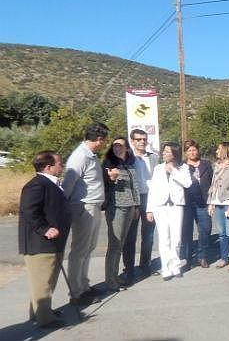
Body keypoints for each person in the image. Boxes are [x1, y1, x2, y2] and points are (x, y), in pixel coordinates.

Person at [18, 151, 70, 328]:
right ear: (49, 167)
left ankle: (39, 312)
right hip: (40, 244)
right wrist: (45, 229)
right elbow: (28, 210)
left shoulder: (49, 183)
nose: (61, 166)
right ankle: (45, 319)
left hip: (53, 242)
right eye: (59, 163)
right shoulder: (37, 185)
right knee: (43, 282)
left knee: (46, 280)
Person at [62, 122, 109, 305]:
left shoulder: (91, 155)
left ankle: (84, 285)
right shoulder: (80, 156)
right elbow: (68, 184)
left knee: (88, 247)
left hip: (93, 205)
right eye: (104, 140)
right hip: (83, 207)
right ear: (98, 139)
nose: (105, 143)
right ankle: (76, 292)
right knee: (80, 249)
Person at [146, 142, 192, 280]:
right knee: (164, 238)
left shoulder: (183, 167)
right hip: (160, 206)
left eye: (167, 151)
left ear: (174, 153)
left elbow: (187, 183)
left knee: (176, 238)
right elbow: (152, 190)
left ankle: (175, 266)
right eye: (164, 151)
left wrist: (173, 170)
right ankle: (166, 267)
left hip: (176, 206)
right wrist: (149, 209)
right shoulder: (158, 168)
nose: (164, 153)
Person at [103, 137, 140, 291]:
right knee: (115, 244)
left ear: (127, 148)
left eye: (121, 145)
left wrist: (137, 205)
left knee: (123, 243)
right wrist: (111, 178)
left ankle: (115, 276)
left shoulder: (129, 164)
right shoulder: (108, 165)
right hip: (116, 207)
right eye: (115, 146)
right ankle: (111, 280)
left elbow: (135, 185)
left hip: (131, 206)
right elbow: (104, 186)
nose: (117, 148)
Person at [123, 129, 158, 279]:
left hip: (150, 199)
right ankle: (129, 268)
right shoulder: (127, 158)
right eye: (138, 139)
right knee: (130, 236)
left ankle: (145, 265)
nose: (142, 142)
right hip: (133, 199)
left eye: (144, 139)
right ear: (132, 141)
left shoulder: (154, 158)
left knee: (148, 235)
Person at [208, 142, 229, 272]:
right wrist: (211, 202)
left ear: (225, 150)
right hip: (218, 202)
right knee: (221, 234)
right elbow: (213, 185)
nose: (216, 151)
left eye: (219, 149)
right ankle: (224, 257)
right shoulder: (217, 165)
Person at [180, 140, 213, 269]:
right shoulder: (181, 166)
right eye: (189, 150)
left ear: (198, 150)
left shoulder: (206, 164)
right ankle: (187, 258)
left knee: (205, 229)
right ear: (185, 152)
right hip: (187, 203)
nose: (192, 152)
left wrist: (212, 201)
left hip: (203, 202)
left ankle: (202, 256)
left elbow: (212, 182)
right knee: (186, 232)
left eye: (194, 149)